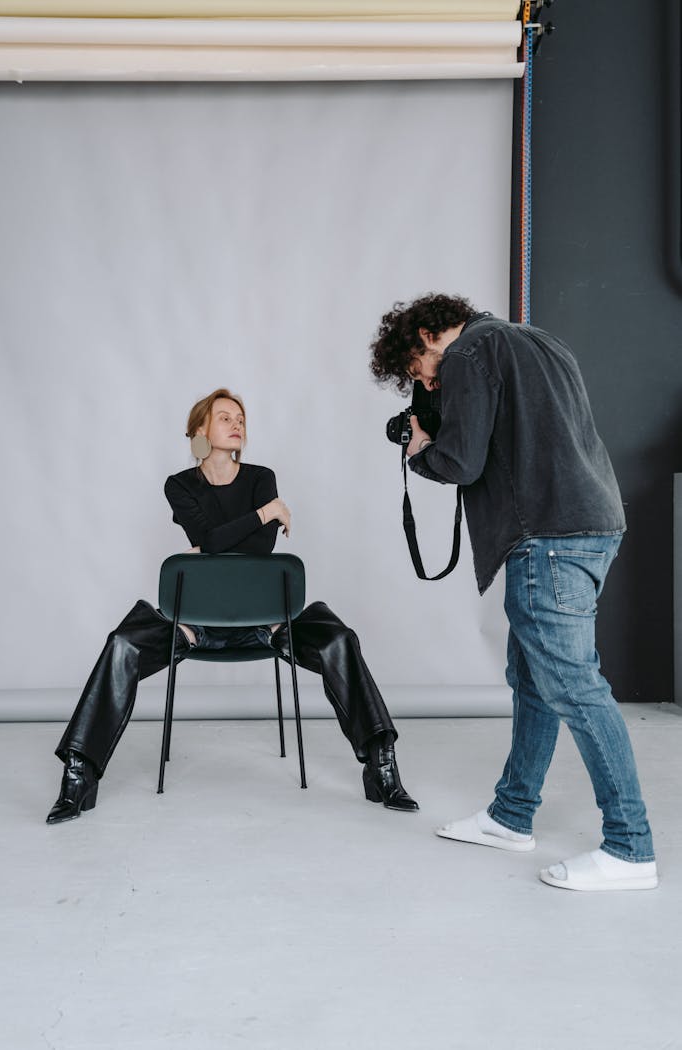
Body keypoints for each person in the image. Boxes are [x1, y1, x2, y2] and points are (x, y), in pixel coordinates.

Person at [369, 294, 657, 891]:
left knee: (574, 686)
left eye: (416, 366)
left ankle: (630, 849)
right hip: (591, 522)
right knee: (534, 680)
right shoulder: (537, 340)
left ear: (428, 333)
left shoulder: (469, 352)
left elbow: (462, 464)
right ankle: (511, 816)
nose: (422, 380)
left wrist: (421, 451)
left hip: (547, 535)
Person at [47, 387, 418, 824]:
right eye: (224, 417)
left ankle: (382, 766)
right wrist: (266, 514)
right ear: (200, 429)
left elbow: (255, 550)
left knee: (339, 638)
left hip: (268, 624)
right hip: (194, 626)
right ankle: (78, 777)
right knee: (121, 644)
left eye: (240, 417)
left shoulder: (262, 477)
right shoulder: (180, 485)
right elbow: (221, 542)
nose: (236, 423)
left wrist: (212, 542)